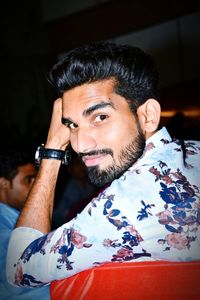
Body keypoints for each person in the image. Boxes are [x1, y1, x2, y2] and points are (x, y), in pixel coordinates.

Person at [6, 41, 200, 288]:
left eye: (100, 117)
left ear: (148, 116)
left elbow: (17, 271)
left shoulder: (129, 205)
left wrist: (53, 151)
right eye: (72, 125)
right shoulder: (193, 152)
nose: (80, 145)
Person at [0, 150, 50, 299]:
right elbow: (22, 287)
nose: (37, 186)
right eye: (29, 180)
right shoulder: (3, 228)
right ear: (3, 184)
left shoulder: (16, 219)